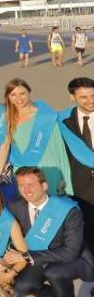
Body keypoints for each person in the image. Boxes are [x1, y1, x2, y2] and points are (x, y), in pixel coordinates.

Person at [7, 167, 94, 297]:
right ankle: (49, 296)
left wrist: (25, 256)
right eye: (22, 185)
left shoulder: (68, 210)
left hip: (72, 258)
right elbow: (8, 235)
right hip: (39, 256)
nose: (27, 190)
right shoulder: (16, 206)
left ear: (44, 186)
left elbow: (70, 252)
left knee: (54, 272)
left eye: (31, 185)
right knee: (21, 284)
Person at [0, 78, 73, 196]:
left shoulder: (45, 116)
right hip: (23, 172)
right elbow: (4, 147)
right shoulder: (7, 118)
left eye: (22, 93)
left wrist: (67, 180)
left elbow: (60, 150)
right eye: (13, 95)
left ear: (29, 92)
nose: (19, 98)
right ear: (8, 97)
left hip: (48, 169)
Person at [58, 77, 94, 261]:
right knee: (88, 231)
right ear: (72, 97)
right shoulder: (62, 122)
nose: (90, 101)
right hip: (79, 187)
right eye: (84, 97)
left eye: (93, 95)